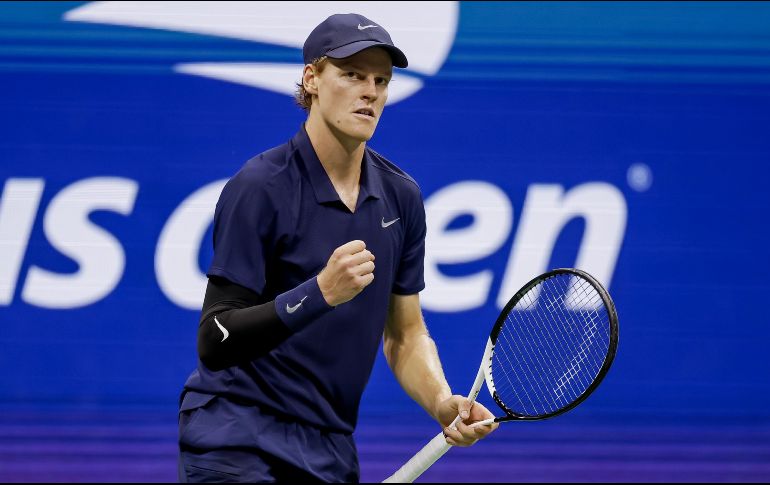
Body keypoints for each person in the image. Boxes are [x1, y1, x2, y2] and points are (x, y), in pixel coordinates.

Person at [177, 13, 498, 483]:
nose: (370, 91)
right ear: (312, 79)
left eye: (381, 81)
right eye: (352, 74)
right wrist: (320, 292)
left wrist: (440, 400)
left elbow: (405, 334)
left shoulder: (401, 198)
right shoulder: (260, 187)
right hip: (237, 433)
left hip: (329, 447)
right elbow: (215, 338)